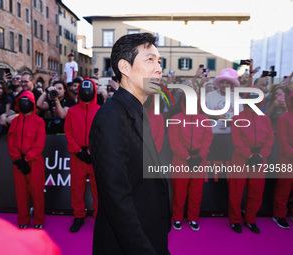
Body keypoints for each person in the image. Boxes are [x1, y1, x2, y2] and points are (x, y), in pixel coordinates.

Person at [89, 32, 170, 255]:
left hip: (149, 232)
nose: (159, 69)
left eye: (160, 61)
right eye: (150, 59)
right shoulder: (112, 117)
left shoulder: (135, 111)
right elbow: (117, 198)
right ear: (125, 67)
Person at [228, 89, 274, 234]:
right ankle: (235, 220)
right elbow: (236, 139)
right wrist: (248, 155)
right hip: (241, 159)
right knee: (236, 192)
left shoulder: (265, 119)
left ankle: (250, 219)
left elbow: (270, 139)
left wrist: (261, 155)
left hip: (260, 159)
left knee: (256, 192)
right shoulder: (237, 118)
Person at [168, 94, 213, 232]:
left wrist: (200, 156)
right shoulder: (176, 119)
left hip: (199, 160)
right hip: (181, 161)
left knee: (196, 191)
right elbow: (174, 141)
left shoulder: (204, 120)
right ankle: (177, 218)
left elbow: (208, 139)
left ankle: (193, 218)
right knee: (179, 192)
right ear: (184, 102)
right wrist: (187, 157)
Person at [64, 78, 99, 233]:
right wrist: (78, 150)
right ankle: (79, 216)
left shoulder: (100, 110)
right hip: (77, 156)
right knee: (77, 189)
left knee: (98, 190)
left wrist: (92, 151)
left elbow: (103, 134)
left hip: (95, 157)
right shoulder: (72, 111)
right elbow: (68, 132)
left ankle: (99, 217)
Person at [7, 90, 46, 229]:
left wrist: (27, 158)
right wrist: (18, 159)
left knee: (37, 193)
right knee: (21, 193)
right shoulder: (15, 122)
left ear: (32, 103)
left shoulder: (39, 122)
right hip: (18, 164)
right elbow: (10, 141)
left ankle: (39, 220)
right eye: (21, 100)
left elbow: (39, 144)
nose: (24, 103)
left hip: (34, 163)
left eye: (26, 101)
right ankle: (23, 220)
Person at [272, 90, 293, 229]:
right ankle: (279, 215)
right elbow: (282, 141)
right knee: (283, 188)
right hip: (286, 158)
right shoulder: (284, 118)